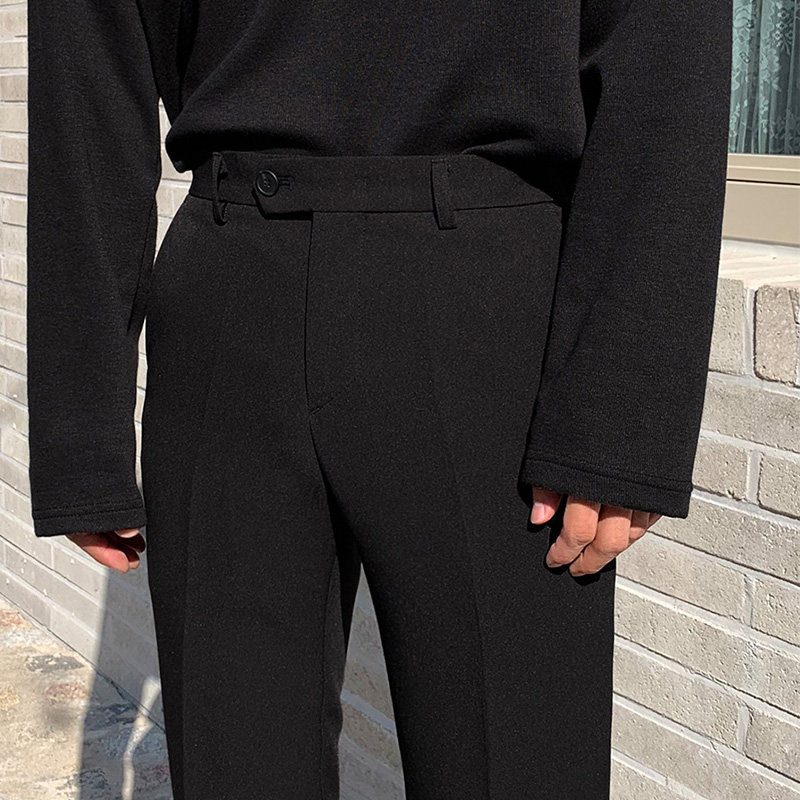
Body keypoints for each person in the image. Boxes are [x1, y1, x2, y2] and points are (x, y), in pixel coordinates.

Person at [25, 1, 732, 798]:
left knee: (517, 766)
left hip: (494, 313)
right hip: (233, 296)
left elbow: (664, 40)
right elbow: (88, 47)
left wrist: (622, 416)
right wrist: (81, 425)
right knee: (235, 764)